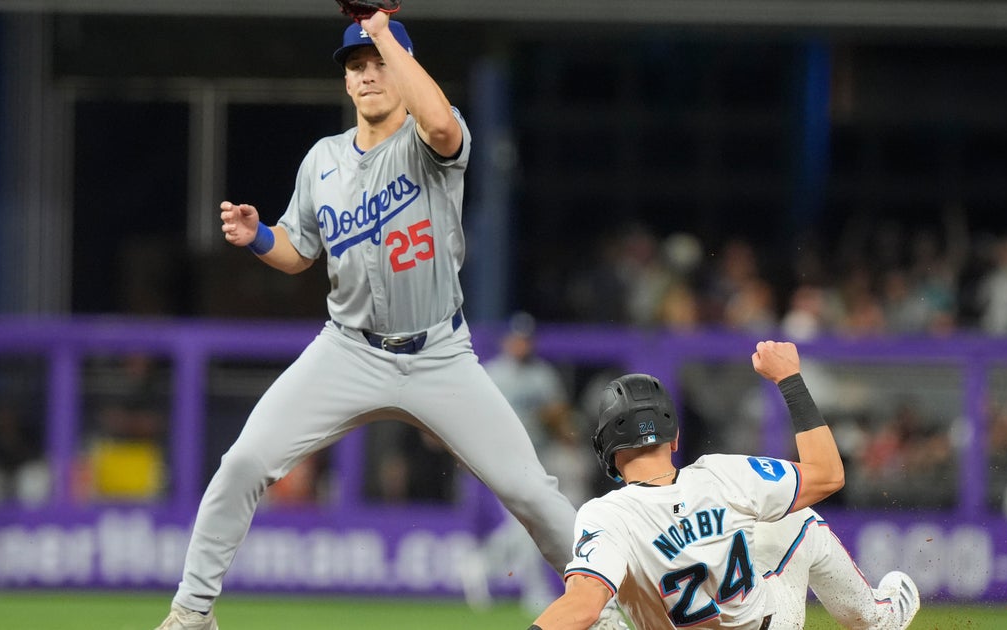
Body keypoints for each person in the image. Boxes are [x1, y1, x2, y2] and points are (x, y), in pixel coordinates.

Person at [154, 11, 578, 630]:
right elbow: (299, 253)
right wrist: (257, 236)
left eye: (379, 63)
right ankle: (192, 612)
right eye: (357, 66)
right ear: (346, 82)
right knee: (243, 462)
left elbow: (437, 121)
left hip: (439, 354)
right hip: (347, 351)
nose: (368, 75)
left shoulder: (432, 142)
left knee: (532, 493)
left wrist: (382, 31)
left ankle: (620, 602)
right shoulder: (322, 159)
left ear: (406, 69)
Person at [529, 340, 920, 630]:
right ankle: (877, 619)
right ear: (675, 439)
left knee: (600, 609)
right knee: (795, 521)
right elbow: (829, 474)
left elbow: (580, 606)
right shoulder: (721, 475)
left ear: (607, 450)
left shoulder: (607, 514)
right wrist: (789, 379)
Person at [461, 312, 594, 615]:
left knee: (528, 524)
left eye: (526, 339)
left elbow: (560, 419)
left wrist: (561, 429)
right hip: (503, 458)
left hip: (538, 458)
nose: (522, 344)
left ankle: (483, 563)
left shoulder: (542, 375)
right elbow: (475, 417)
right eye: (517, 338)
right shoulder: (492, 373)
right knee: (526, 525)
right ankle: (533, 592)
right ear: (507, 340)